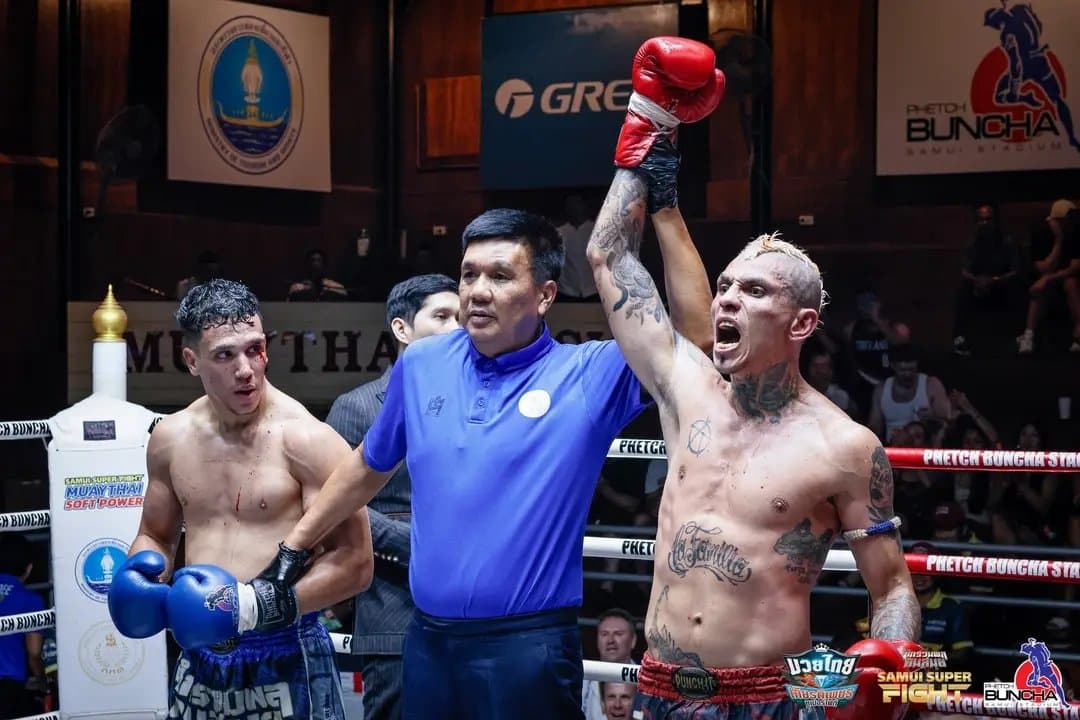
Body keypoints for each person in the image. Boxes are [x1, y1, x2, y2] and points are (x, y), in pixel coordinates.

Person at [279, 36, 724, 719]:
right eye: (467, 275)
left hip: (527, 647)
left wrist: (664, 205)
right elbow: (366, 468)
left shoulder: (588, 374)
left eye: (499, 275)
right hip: (424, 642)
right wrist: (295, 546)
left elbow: (693, 342)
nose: (476, 291)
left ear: (545, 294)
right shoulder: (423, 362)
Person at [586, 128, 920, 718]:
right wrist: (646, 122)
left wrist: (892, 660)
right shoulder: (686, 391)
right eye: (724, 287)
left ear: (800, 323)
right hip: (661, 689)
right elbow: (609, 256)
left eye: (754, 290)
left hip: (767, 698)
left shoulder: (843, 446)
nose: (726, 301)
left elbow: (891, 587)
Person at [106, 278, 374, 720]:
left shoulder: (308, 441)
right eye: (225, 355)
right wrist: (139, 579)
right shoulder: (171, 438)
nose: (246, 369)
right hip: (199, 648)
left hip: (285, 645)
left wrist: (259, 608)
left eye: (255, 349)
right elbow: (156, 535)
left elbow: (356, 563)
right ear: (192, 360)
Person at [325, 273, 461, 720]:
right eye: (441, 316)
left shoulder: (477, 402)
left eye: (461, 316)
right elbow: (333, 502)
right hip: (392, 605)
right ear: (402, 329)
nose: (457, 327)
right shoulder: (358, 405)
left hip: (472, 609)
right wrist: (417, 545)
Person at [0, 534, 45, 720]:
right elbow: (34, 652)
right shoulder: (31, 600)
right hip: (9, 688)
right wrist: (43, 681)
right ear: (29, 569)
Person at [583, 608, 639, 720]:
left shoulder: (646, 681)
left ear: (633, 640)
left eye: (618, 634)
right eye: (604, 634)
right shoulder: (582, 679)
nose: (610, 640)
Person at [556, 194, 598, 301]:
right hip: (567, 291)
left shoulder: (597, 229)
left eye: (576, 204)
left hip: (593, 290)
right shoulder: (558, 232)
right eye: (569, 205)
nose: (573, 208)